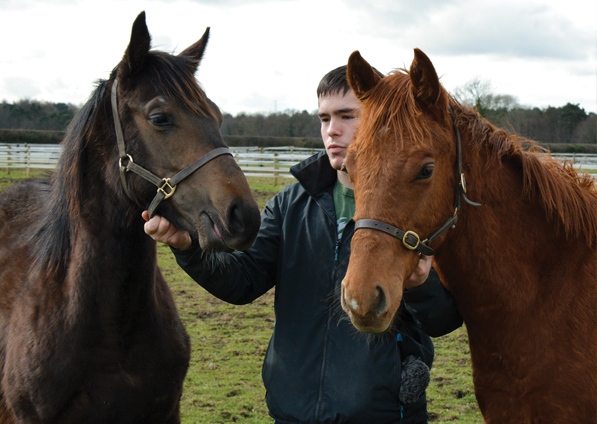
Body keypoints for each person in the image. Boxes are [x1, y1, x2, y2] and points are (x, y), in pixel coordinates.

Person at [143, 65, 463, 424]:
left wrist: (421, 286)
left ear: (378, 118)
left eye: (347, 116)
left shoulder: (418, 201)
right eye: (324, 119)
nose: (332, 131)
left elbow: (444, 319)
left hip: (383, 413)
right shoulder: (291, 203)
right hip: (293, 411)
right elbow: (242, 281)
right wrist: (187, 247)